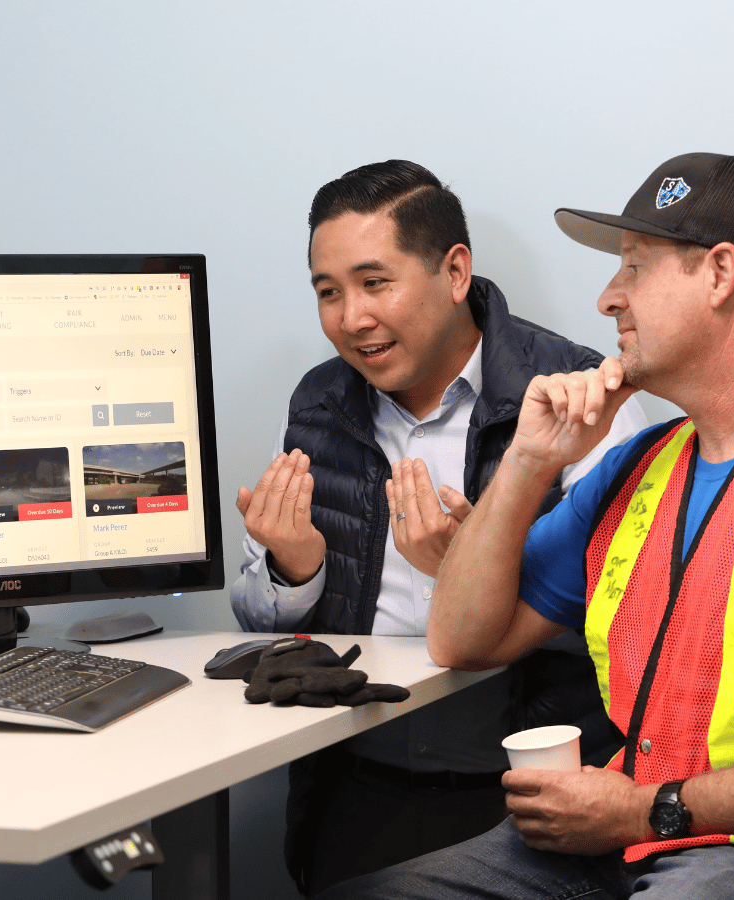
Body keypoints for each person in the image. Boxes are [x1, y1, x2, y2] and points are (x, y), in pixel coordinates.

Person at [321, 153, 734, 900]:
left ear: (719, 273)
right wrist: (529, 461)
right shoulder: (640, 466)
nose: (609, 298)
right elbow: (462, 640)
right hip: (644, 835)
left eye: (635, 269)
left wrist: (645, 808)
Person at [230, 159, 648, 896]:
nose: (350, 317)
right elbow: (256, 615)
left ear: (455, 272)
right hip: (357, 782)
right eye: (328, 292)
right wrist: (295, 572)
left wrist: (473, 570)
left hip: (527, 790)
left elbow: (634, 623)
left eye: (374, 282)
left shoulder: (576, 400)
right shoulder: (318, 403)